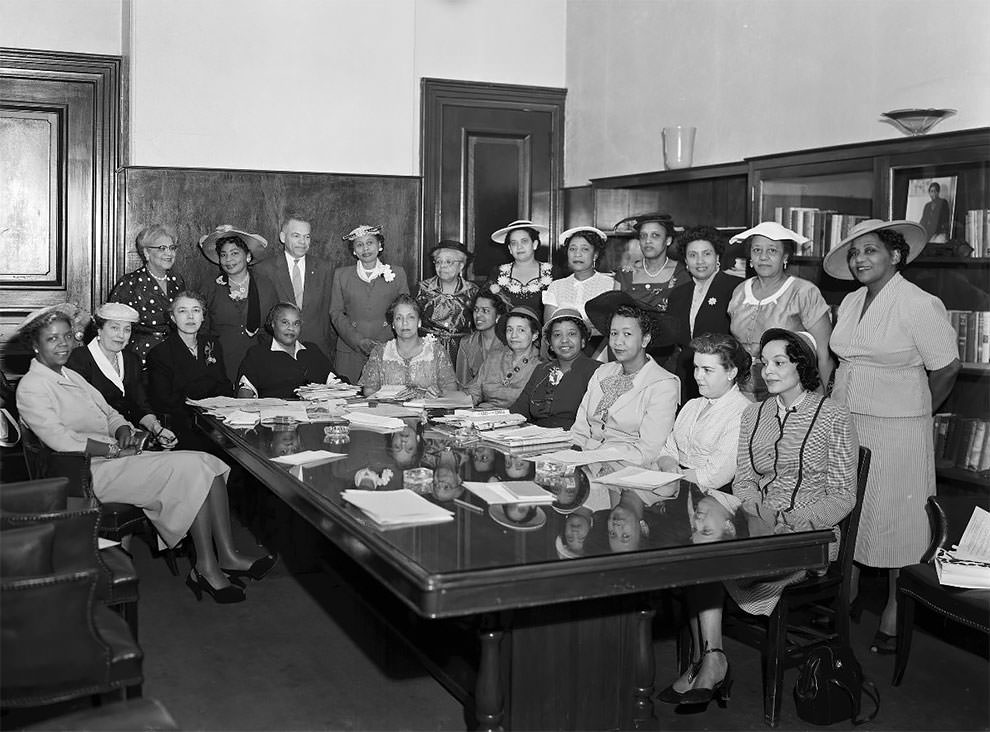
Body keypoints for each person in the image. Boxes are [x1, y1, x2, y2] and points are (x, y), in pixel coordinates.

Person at [15, 306, 277, 605]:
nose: (63, 344)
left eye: (66, 337)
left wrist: (123, 429)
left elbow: (110, 413)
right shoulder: (32, 387)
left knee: (211, 464)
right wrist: (113, 448)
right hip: (86, 473)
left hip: (116, 458)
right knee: (193, 467)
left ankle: (226, 555)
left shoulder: (70, 376)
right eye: (52, 339)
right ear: (36, 345)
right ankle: (205, 567)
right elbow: (61, 441)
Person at [657, 328, 856, 709]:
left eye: (780, 362)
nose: (770, 370)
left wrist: (790, 522)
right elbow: (745, 481)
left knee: (707, 555)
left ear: (803, 364)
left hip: (809, 538)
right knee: (702, 549)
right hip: (757, 529)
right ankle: (712, 659)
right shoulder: (755, 414)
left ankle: (710, 661)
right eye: (765, 362)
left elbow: (844, 495)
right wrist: (756, 519)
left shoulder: (833, 415)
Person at [824, 219, 960, 654]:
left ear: (895, 255)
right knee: (852, 513)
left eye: (870, 250)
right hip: (849, 421)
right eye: (854, 253)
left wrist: (917, 414)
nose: (860, 259)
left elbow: (947, 367)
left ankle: (895, 611)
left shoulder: (919, 303)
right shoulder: (849, 301)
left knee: (899, 521)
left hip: (899, 429)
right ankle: (845, 597)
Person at [571, 291, 680, 474]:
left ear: (645, 339)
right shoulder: (602, 372)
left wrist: (595, 456)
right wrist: (573, 454)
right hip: (587, 463)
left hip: (628, 471)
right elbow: (580, 429)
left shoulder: (663, 385)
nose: (618, 342)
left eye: (627, 334)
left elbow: (648, 452)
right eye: (614, 333)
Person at [726, 222, 833, 399]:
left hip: (788, 392)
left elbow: (824, 355)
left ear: (785, 257)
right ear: (750, 258)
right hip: (741, 391)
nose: (763, 257)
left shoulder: (804, 292)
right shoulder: (739, 291)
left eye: (772, 251)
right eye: (757, 250)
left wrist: (824, 401)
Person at [66, 302, 178, 449]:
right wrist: (125, 431)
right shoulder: (78, 359)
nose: (121, 335)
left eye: (127, 330)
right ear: (99, 330)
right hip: (96, 441)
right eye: (114, 328)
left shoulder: (131, 359)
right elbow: (82, 412)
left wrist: (157, 429)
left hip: (130, 438)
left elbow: (140, 405)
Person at [656, 333, 752, 492]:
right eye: (696, 368)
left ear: (731, 373)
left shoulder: (742, 413)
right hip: (677, 484)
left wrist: (668, 479)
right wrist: (668, 464)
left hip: (715, 497)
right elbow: (667, 449)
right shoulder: (693, 405)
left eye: (707, 370)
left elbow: (714, 476)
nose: (698, 376)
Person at [146, 291, 232, 451]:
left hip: (216, 423)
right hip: (182, 428)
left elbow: (224, 385)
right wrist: (205, 388)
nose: (190, 317)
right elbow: (162, 401)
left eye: (196, 310)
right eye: (182, 311)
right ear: (172, 317)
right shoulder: (160, 353)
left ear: (203, 316)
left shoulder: (212, 344)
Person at [665, 226, 741, 402]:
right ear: (685, 260)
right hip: (686, 375)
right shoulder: (678, 294)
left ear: (717, 257)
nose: (700, 261)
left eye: (706, 254)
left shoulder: (735, 288)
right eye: (693, 255)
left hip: (721, 375)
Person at [198, 226, 277, 388]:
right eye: (223, 255)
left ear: (248, 256)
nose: (229, 260)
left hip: (258, 364)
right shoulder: (210, 287)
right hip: (219, 363)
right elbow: (202, 329)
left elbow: (273, 326)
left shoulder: (265, 285)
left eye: (235, 253)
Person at [330, 224, 410, 383]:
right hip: (350, 350)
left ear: (379, 245)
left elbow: (405, 312)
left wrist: (382, 342)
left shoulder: (397, 273)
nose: (365, 248)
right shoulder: (341, 275)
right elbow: (336, 313)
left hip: (388, 348)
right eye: (359, 244)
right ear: (354, 250)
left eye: (370, 243)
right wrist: (358, 341)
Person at [253, 211, 335, 359]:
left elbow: (328, 312)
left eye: (307, 236)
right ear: (283, 237)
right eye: (296, 236)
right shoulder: (264, 269)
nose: (303, 242)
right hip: (278, 350)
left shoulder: (325, 268)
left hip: (317, 349)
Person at [510, 308, 600, 429]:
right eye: (557, 335)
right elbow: (519, 411)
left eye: (572, 334)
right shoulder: (541, 370)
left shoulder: (597, 371)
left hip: (574, 440)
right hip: (536, 439)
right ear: (550, 344)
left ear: (583, 341)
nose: (564, 340)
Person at [109, 224, 186, 363]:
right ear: (146, 253)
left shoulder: (177, 281)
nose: (169, 253)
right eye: (162, 248)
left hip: (175, 351)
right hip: (142, 356)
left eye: (172, 248)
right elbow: (113, 326)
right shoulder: (130, 283)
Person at [358, 294, 459, 399]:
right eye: (398, 318)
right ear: (393, 324)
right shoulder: (380, 352)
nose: (404, 323)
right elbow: (369, 391)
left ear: (419, 322)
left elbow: (451, 388)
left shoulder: (436, 351)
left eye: (410, 317)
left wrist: (437, 393)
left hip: (427, 412)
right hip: (389, 412)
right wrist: (393, 396)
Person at [237, 302, 334, 399]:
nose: (291, 328)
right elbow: (245, 389)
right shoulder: (258, 354)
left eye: (296, 323)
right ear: (273, 324)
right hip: (275, 411)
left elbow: (335, 381)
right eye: (285, 322)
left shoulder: (312, 350)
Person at [541, 226, 615, 351]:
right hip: (563, 351)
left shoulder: (610, 285)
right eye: (572, 249)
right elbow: (549, 328)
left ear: (595, 255)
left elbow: (612, 327)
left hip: (602, 351)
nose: (577, 254)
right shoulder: (556, 286)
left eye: (585, 249)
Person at [464, 305, 543, 409]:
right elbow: (474, 391)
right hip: (485, 416)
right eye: (509, 330)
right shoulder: (494, 358)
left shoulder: (541, 365)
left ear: (535, 335)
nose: (513, 335)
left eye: (521, 330)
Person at [415, 239, 479, 365]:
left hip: (461, 351)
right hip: (427, 350)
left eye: (449, 262)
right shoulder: (422, 289)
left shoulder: (473, 291)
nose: (442, 266)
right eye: (438, 262)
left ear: (461, 265)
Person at [613, 212, 689, 313]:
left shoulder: (681, 274)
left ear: (668, 240)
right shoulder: (625, 274)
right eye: (643, 236)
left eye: (655, 235)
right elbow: (615, 314)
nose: (648, 241)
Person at [486, 219, 554, 313]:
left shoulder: (552, 273)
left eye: (524, 241)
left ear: (535, 244)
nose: (519, 247)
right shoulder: (498, 273)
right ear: (510, 249)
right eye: (514, 243)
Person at [455, 288, 508, 387]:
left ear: (498, 316)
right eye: (476, 310)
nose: (478, 314)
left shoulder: (508, 342)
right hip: (471, 398)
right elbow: (463, 383)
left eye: (485, 311)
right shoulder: (466, 343)